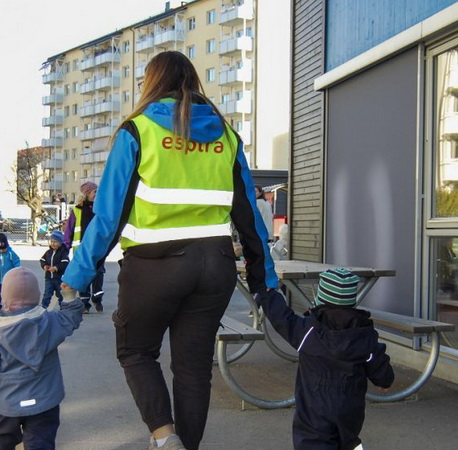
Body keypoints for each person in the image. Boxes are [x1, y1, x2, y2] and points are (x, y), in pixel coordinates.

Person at [61, 51, 279, 450]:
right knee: (194, 370)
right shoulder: (226, 137)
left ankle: (164, 437)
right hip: (215, 267)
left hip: (153, 267)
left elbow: (109, 216)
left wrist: (75, 277)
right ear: (193, 80)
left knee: (137, 352)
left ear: (151, 82)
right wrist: (266, 279)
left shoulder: (138, 130)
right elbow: (249, 214)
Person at [256, 268, 395, 450]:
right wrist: (385, 381)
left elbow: (281, 316)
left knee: (313, 442)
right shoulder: (364, 335)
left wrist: (268, 295)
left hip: (314, 411)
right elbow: (378, 362)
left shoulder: (307, 331)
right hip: (349, 409)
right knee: (347, 441)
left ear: (320, 299)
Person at [0, 267, 84, 450]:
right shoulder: (49, 322)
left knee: (3, 438)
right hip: (44, 400)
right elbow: (70, 319)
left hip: (7, 402)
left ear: (5, 301)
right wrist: (69, 297)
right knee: (41, 441)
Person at [63, 181, 105, 314]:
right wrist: (66, 246)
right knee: (84, 275)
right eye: (94, 192)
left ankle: (97, 299)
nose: (96, 194)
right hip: (81, 249)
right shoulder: (77, 210)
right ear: (87, 194)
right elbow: (69, 230)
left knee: (98, 275)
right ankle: (85, 303)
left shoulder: (100, 208)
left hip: (98, 247)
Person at [0, 233, 21, 316]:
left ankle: (9, 306)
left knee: (8, 293)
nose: (1, 251)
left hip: (8, 278)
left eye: (3, 249)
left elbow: (17, 262)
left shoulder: (11, 254)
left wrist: (16, 271)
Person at [39, 230, 70, 309]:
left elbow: (65, 263)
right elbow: (42, 260)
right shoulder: (48, 252)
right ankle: (44, 308)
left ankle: (63, 308)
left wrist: (56, 268)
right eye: (51, 241)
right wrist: (44, 266)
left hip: (59, 278)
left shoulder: (63, 253)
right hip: (49, 278)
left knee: (61, 294)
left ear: (60, 243)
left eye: (55, 242)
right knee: (47, 294)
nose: (53, 243)